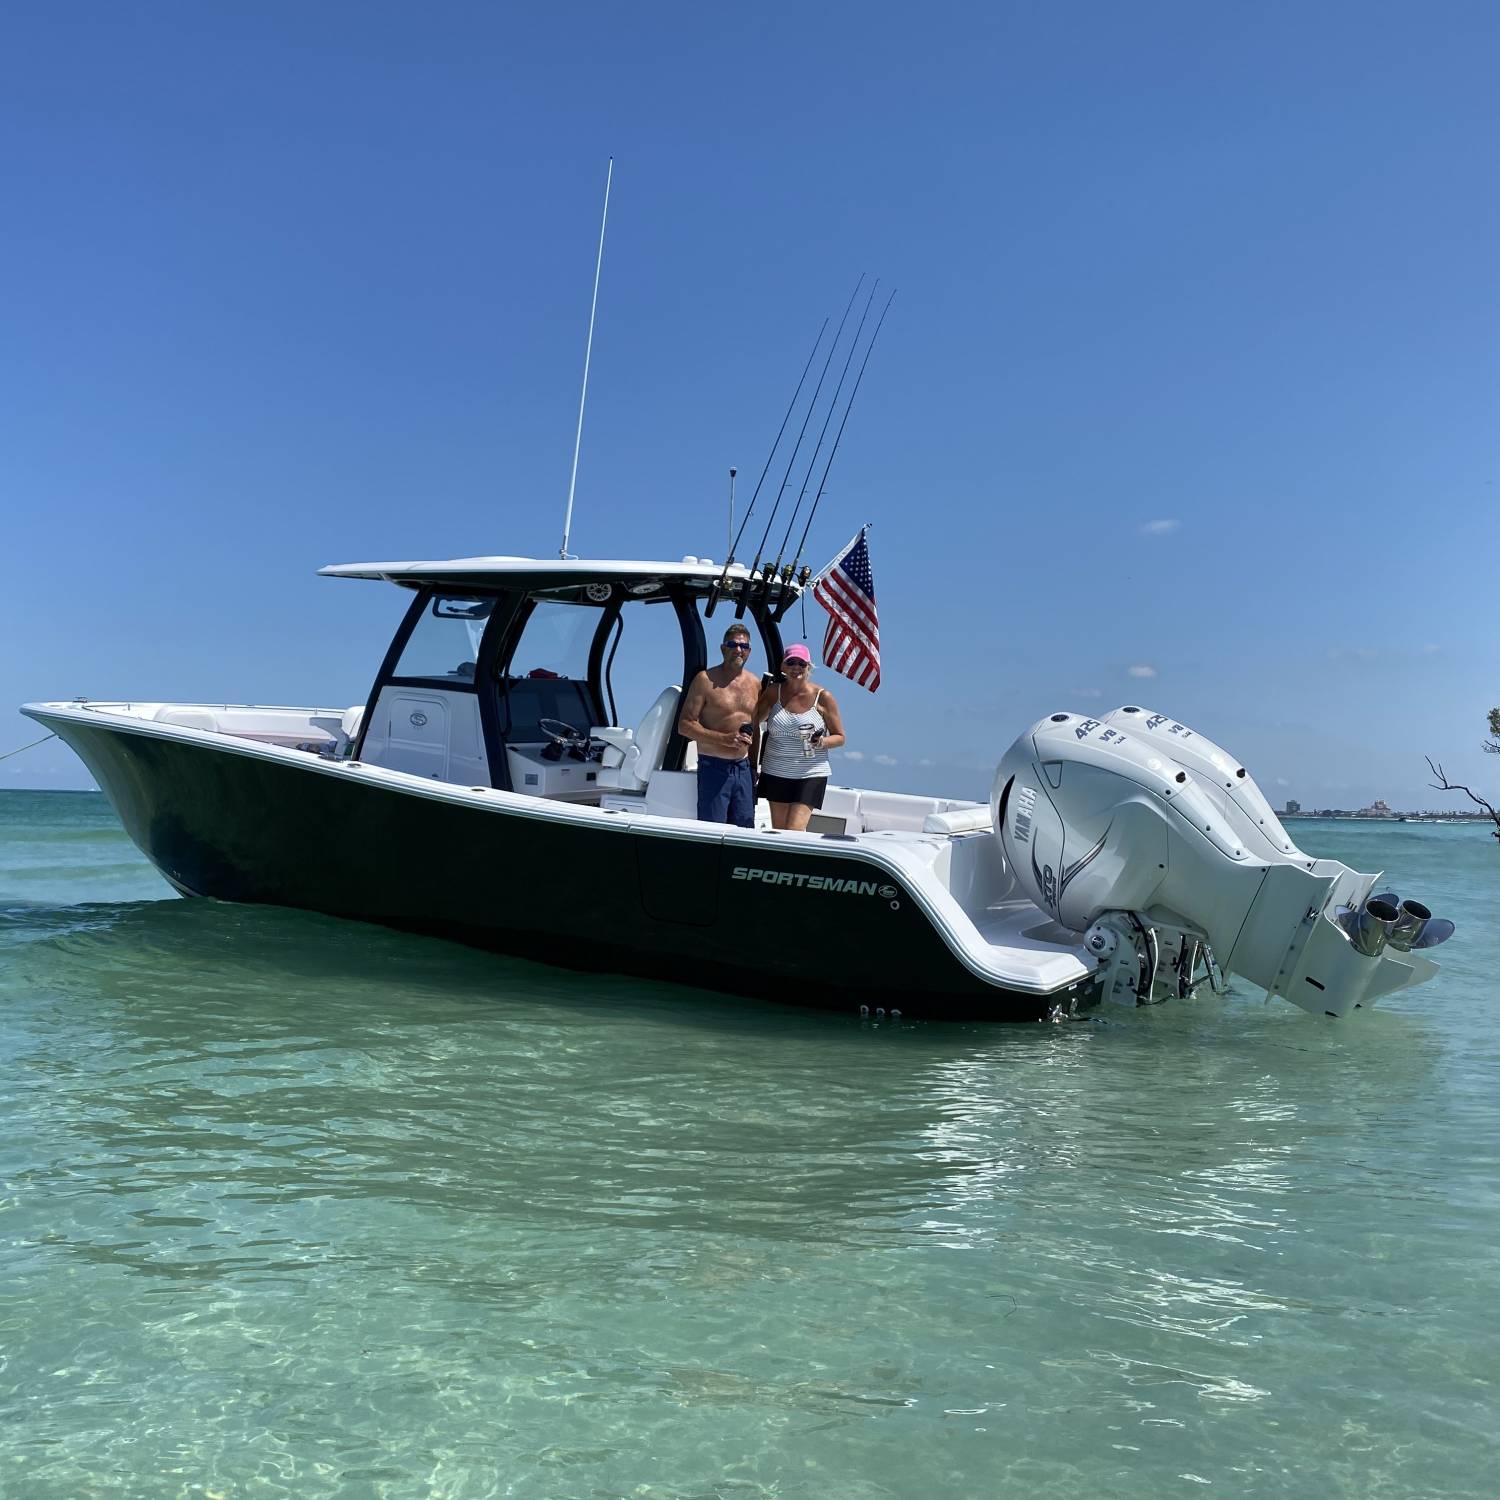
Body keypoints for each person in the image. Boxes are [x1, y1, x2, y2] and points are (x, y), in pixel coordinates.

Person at [753, 643, 845, 831]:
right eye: (791, 662)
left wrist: (821, 742)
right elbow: (753, 723)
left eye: (801, 663)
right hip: (776, 770)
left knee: (794, 831)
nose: (796, 667)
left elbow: (840, 737)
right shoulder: (773, 693)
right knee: (778, 831)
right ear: (783, 667)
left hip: (810, 773)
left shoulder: (823, 697)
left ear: (809, 667)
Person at [678, 624, 762, 827]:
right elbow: (685, 725)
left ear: (749, 651)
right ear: (723, 648)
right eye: (733, 644)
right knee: (713, 833)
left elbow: (756, 728)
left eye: (744, 646)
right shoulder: (705, 680)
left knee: (745, 832)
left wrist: (752, 766)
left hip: (743, 770)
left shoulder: (755, 683)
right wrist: (724, 739)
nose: (738, 650)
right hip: (713, 767)